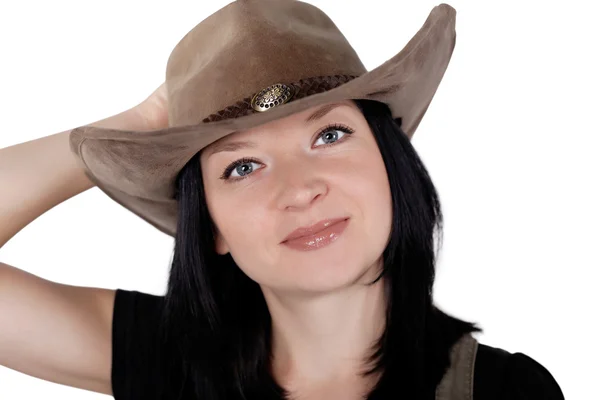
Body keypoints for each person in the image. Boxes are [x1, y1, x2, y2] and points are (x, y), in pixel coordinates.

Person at [0, 1, 565, 399]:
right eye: (242, 166)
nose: (299, 189)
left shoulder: (504, 391)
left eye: (329, 136)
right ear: (212, 226)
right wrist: (144, 123)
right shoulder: (170, 363)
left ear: (391, 164)